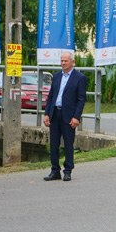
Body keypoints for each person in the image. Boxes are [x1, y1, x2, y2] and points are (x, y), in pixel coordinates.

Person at [43, 53, 87, 182]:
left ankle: (67, 171)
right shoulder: (56, 76)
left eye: (66, 61)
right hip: (55, 114)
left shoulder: (79, 78)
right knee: (53, 144)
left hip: (69, 115)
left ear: (72, 62)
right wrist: (47, 114)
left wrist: (76, 117)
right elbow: (50, 96)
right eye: (61, 61)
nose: (63, 63)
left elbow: (81, 99)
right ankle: (55, 170)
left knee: (68, 143)